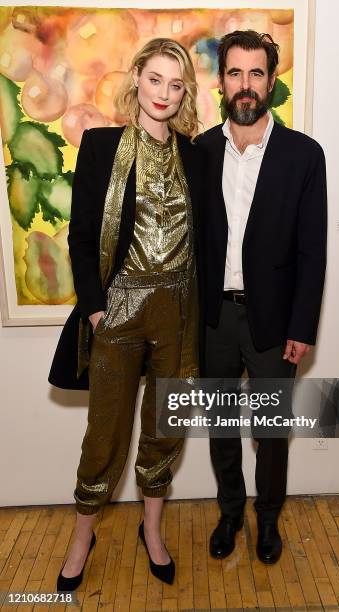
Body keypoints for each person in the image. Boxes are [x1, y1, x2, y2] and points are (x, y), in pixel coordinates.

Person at [49, 38, 202, 589]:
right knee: (104, 434)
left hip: (178, 314)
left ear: (185, 92)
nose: (164, 93)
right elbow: (82, 234)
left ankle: (152, 531)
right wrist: (93, 310)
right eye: (155, 78)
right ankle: (82, 536)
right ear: (137, 77)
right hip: (117, 313)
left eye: (175, 84)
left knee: (166, 428)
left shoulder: (195, 153)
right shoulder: (100, 145)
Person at [198, 30, 327, 563]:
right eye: (235, 73)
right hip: (214, 321)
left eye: (256, 73)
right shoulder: (201, 151)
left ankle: (267, 519)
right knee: (221, 428)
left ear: (272, 81)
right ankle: (230, 513)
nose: (245, 85)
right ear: (221, 81)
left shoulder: (304, 155)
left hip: (275, 322)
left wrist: (302, 328)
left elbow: (312, 252)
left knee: (272, 433)